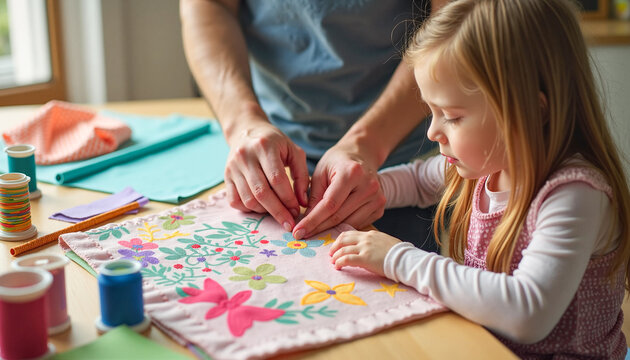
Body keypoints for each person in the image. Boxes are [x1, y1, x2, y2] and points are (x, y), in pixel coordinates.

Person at [329, 0, 630, 357]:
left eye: (452, 116)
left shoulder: (574, 194)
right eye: (431, 111)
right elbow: (414, 181)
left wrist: (397, 258)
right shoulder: (486, 165)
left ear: (534, 110)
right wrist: (347, 192)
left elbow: (527, 312)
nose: (432, 132)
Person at [179, 0, 446, 250]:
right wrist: (243, 123)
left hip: (409, 159)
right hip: (268, 155)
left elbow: (450, 19)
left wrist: (367, 143)